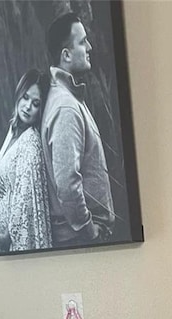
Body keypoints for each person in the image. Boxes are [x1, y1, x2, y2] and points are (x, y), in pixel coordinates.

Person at [41, 12, 115, 247]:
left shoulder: (67, 99)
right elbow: (67, 183)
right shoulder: (65, 107)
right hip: (82, 241)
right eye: (83, 42)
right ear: (66, 55)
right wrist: (88, 230)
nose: (90, 47)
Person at [0, 69, 52, 253]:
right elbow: (7, 170)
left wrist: (7, 237)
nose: (27, 107)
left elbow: (25, 199)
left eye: (35, 103)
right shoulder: (13, 129)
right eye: (25, 97)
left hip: (11, 243)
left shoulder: (31, 141)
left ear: (41, 110)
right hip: (0, 242)